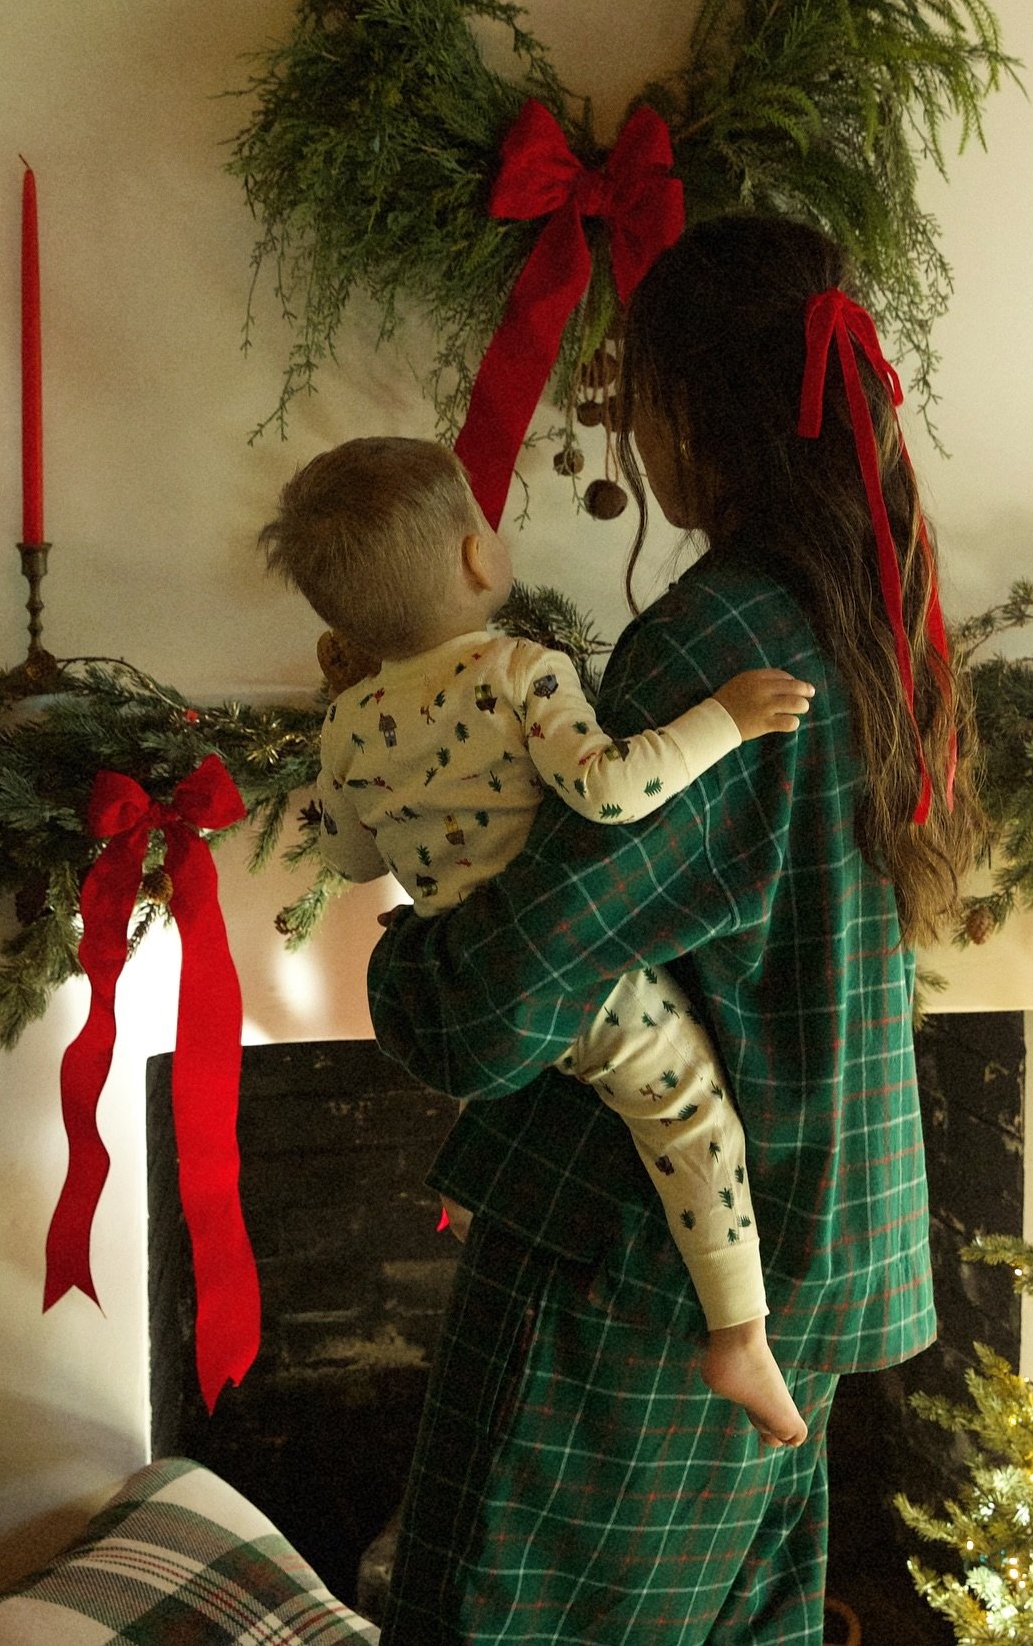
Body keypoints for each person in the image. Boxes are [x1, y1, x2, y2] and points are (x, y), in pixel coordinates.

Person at [363, 213, 983, 1645]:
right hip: (789, 1269)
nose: (631, 430)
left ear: (696, 407)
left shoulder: (720, 640)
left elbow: (504, 995)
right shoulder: (873, 613)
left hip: (634, 1279)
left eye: (635, 393)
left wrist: (409, 954)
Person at [258, 436, 816, 1446]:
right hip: (573, 982)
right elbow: (610, 791)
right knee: (690, 1110)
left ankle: (480, 1202)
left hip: (461, 974)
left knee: (524, 1089)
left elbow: (345, 862)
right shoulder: (519, 670)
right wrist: (726, 723)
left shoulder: (345, 727)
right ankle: (740, 1332)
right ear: (478, 556)